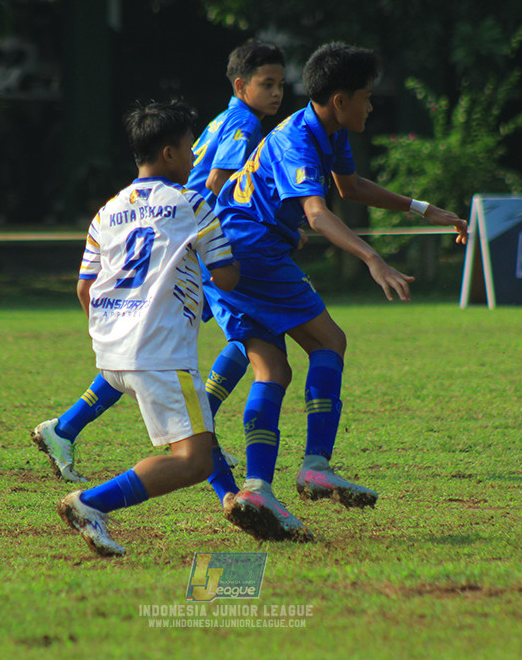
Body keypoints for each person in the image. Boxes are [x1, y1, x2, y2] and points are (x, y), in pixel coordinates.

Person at [203, 42, 468, 542]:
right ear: (341, 99)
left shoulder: (328, 130)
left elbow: (348, 188)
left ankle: (258, 485)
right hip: (252, 250)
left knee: (273, 367)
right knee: (330, 342)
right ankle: (315, 467)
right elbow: (318, 214)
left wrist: (424, 209)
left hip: (231, 249)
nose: (371, 106)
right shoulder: (298, 138)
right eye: (366, 97)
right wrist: (373, 258)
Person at [33, 40, 286, 490]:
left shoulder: (108, 207)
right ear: (241, 85)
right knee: (248, 334)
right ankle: (96, 496)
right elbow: (213, 186)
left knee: (152, 348)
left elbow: (84, 288)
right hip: (193, 240)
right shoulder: (242, 128)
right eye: (269, 84)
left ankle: (67, 428)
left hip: (121, 324)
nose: (278, 93)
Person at [46, 99, 239, 557]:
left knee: (201, 436)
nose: (194, 158)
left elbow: (85, 288)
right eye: (190, 149)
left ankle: (234, 500)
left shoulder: (106, 212)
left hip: (112, 355)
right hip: (161, 352)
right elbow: (228, 276)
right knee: (193, 459)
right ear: (170, 154)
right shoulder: (192, 202)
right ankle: (90, 503)